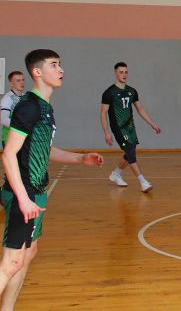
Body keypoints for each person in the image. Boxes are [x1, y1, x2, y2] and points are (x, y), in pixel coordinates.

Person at [0, 49, 104, 308]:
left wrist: (80, 159)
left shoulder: (45, 108)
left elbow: (42, 149)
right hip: (23, 194)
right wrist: (23, 199)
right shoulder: (29, 107)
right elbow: (8, 154)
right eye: (54, 65)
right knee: (12, 261)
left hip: (36, 193)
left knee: (27, 255)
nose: (61, 70)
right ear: (37, 72)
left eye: (60, 64)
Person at [101, 62, 162, 192]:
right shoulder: (109, 92)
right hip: (118, 128)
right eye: (121, 72)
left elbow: (140, 109)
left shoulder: (131, 91)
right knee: (130, 152)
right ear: (115, 73)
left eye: (126, 72)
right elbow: (103, 113)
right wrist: (106, 132)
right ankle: (143, 182)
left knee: (130, 152)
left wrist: (152, 124)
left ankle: (116, 174)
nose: (124, 74)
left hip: (130, 127)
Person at [1, 71, 25, 147]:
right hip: (9, 139)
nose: (21, 82)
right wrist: (21, 127)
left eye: (23, 80)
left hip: (22, 139)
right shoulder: (7, 98)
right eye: (18, 80)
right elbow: (3, 119)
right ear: (11, 83)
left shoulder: (25, 97)